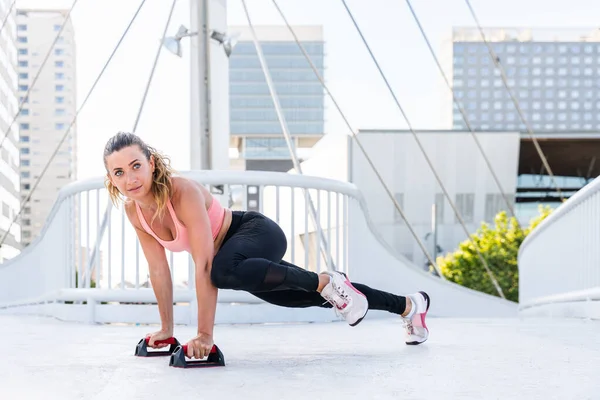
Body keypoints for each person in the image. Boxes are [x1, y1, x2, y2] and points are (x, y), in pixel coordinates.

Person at [103, 132, 431, 360]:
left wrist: (204, 335)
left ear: (152, 164)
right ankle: (409, 305)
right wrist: (166, 329)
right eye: (119, 172)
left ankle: (328, 281)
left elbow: (204, 265)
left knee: (222, 271)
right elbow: (158, 271)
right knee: (302, 299)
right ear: (112, 180)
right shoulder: (135, 212)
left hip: (254, 232)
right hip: (239, 263)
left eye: (136, 166)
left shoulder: (181, 192)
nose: (130, 178)